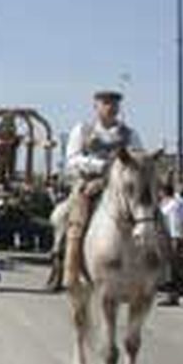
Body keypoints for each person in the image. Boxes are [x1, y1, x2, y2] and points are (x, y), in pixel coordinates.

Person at [60, 89, 143, 287]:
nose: (110, 107)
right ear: (96, 106)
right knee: (77, 220)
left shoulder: (130, 134)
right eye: (105, 103)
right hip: (89, 182)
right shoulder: (82, 130)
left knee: (148, 215)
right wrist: (99, 166)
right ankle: (72, 272)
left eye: (114, 104)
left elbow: (138, 158)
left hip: (121, 185)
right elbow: (71, 160)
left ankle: (156, 269)